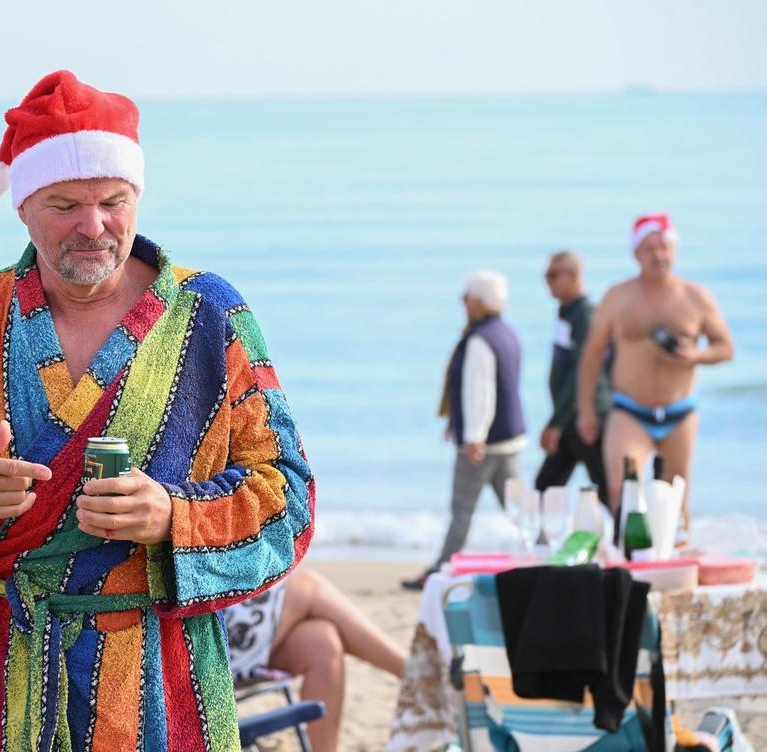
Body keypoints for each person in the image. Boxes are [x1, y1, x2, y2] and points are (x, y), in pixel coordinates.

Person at [0, 71, 316, 752]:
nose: (92, 226)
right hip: (2, 669)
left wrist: (171, 517)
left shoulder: (211, 319)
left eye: (113, 201)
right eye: (65, 203)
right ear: (23, 207)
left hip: (161, 675)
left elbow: (290, 498)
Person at [577, 214, 733, 521]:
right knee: (623, 489)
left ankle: (673, 563)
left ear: (674, 250)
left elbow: (725, 348)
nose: (659, 255)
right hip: (630, 411)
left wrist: (695, 355)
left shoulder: (695, 296)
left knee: (676, 501)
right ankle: (630, 560)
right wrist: (586, 410)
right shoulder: (618, 296)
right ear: (636, 253)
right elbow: (592, 354)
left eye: (664, 247)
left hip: (680, 412)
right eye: (650, 248)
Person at [403, 271, 527, 591]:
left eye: (466, 295)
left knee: (462, 511)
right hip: (508, 439)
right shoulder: (506, 333)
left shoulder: (480, 340)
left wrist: (473, 436)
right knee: (520, 510)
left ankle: (442, 569)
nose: (462, 301)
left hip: (482, 444)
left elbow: (479, 391)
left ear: (479, 301)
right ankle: (545, 555)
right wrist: (455, 423)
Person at [224, 569, 406, 752]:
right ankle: (414, 674)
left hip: (219, 624)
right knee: (307, 586)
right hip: (203, 649)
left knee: (321, 643)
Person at [534, 250, 610, 495]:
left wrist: (555, 423)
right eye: (546, 275)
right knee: (546, 486)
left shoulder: (585, 316)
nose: (548, 281)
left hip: (588, 417)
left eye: (554, 275)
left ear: (574, 275)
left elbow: (582, 373)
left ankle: (634, 533)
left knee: (609, 489)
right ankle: (545, 534)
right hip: (570, 419)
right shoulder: (567, 313)